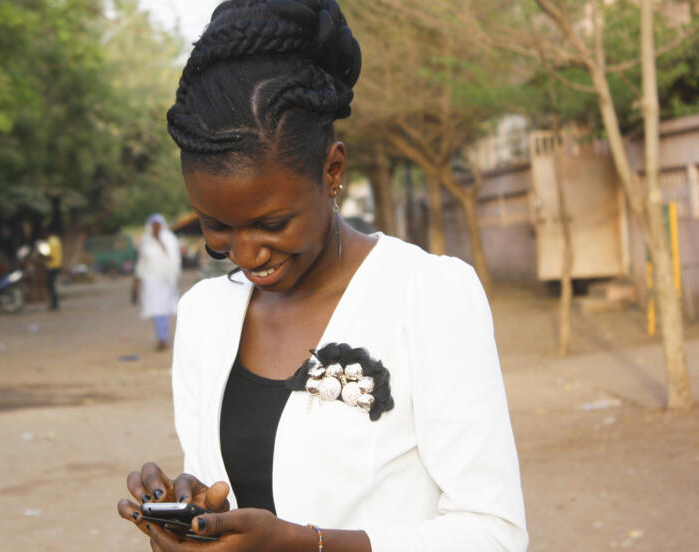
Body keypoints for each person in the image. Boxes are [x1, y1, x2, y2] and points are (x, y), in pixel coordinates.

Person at [117, 2, 527, 551]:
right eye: (217, 226)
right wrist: (195, 515)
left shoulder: (426, 295)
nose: (244, 253)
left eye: (270, 223)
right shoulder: (205, 314)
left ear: (332, 171)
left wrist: (309, 545)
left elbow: (493, 532)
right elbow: (231, 498)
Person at [133, 214, 182, 351]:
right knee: (156, 307)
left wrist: (158, 239)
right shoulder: (145, 240)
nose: (155, 228)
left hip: (167, 278)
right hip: (151, 278)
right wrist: (136, 279)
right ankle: (162, 337)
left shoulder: (169, 239)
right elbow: (142, 261)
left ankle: (164, 335)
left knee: (165, 307)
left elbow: (174, 259)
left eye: (157, 225)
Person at [44, 231, 63, 311]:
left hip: (51, 266)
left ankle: (54, 304)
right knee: (53, 285)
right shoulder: (57, 240)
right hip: (58, 264)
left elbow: (49, 255)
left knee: (50, 285)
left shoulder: (49, 242)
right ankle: (54, 303)